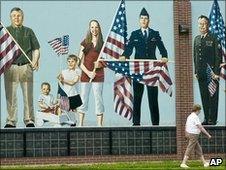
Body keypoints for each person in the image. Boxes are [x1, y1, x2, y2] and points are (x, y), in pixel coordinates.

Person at [120, 8, 168, 126]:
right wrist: (124, 55)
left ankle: (155, 124)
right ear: (139, 20)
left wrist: (164, 56)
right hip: (138, 70)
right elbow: (129, 48)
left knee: (153, 99)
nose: (144, 20)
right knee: (137, 97)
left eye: (146, 18)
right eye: (141, 18)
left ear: (149, 20)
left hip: (152, 70)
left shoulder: (154, 34)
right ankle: (136, 123)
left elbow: (162, 47)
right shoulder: (135, 34)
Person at [4, 7, 40, 128]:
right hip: (10, 67)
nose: (16, 18)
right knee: (10, 95)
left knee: (28, 95)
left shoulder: (28, 31)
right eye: (14, 15)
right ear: (10, 17)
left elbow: (36, 48)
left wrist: (35, 61)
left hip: (26, 67)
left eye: (18, 15)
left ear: (22, 17)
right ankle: (11, 120)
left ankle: (29, 120)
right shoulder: (6, 31)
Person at [193, 15, 222, 125]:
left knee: (212, 96)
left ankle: (212, 119)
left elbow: (218, 56)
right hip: (201, 73)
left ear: (208, 24)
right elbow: (195, 57)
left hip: (211, 73)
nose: (202, 26)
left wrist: (216, 73)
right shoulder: (196, 39)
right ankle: (206, 118)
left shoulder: (214, 38)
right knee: (204, 96)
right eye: (200, 24)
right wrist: (196, 71)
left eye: (204, 23)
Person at [77, 19, 105, 127]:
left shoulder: (103, 44)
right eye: (92, 27)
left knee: (98, 98)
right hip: (86, 75)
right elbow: (79, 62)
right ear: (89, 28)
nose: (94, 29)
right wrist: (88, 73)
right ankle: (80, 124)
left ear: (99, 28)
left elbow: (106, 61)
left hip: (98, 76)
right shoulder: (85, 43)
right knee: (83, 98)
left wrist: (100, 65)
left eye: (96, 27)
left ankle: (99, 125)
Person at [180, 104, 211, 168]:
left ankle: (204, 163)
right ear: (197, 110)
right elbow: (200, 127)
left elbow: (186, 125)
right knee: (190, 148)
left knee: (198, 149)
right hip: (193, 135)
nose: (200, 112)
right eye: (200, 110)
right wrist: (208, 134)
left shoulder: (190, 116)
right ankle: (183, 163)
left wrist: (186, 134)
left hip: (189, 134)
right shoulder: (195, 117)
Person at [57, 54, 82, 126]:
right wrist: (60, 79)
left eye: (72, 61)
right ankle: (61, 123)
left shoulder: (78, 71)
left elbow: (73, 82)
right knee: (63, 110)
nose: (70, 63)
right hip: (65, 94)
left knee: (73, 110)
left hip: (74, 94)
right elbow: (61, 83)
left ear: (76, 62)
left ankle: (74, 123)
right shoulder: (64, 71)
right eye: (69, 61)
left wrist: (63, 80)